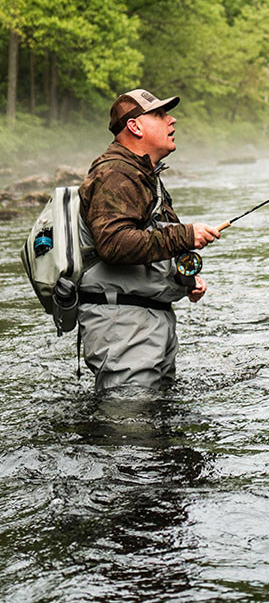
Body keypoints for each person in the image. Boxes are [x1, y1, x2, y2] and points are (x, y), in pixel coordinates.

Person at [77, 88, 220, 392]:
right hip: (123, 324)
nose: (172, 120)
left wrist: (186, 278)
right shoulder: (116, 173)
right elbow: (113, 243)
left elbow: (155, 238)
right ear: (135, 126)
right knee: (130, 429)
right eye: (159, 114)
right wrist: (185, 234)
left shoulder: (144, 174)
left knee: (156, 422)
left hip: (146, 319)